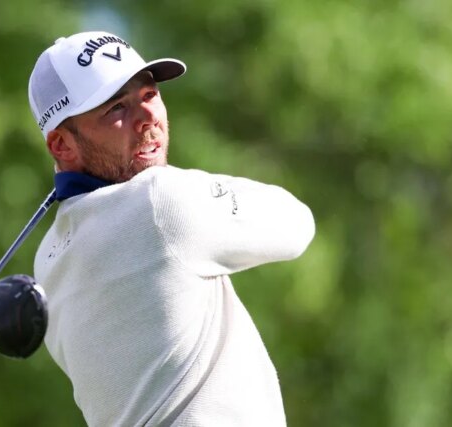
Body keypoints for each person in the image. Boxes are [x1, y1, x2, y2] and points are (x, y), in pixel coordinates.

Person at [29, 31, 315, 426]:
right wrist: (186, 185)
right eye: (116, 108)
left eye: (149, 94)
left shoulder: (46, 261)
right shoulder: (160, 200)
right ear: (62, 145)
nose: (147, 117)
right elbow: (296, 223)